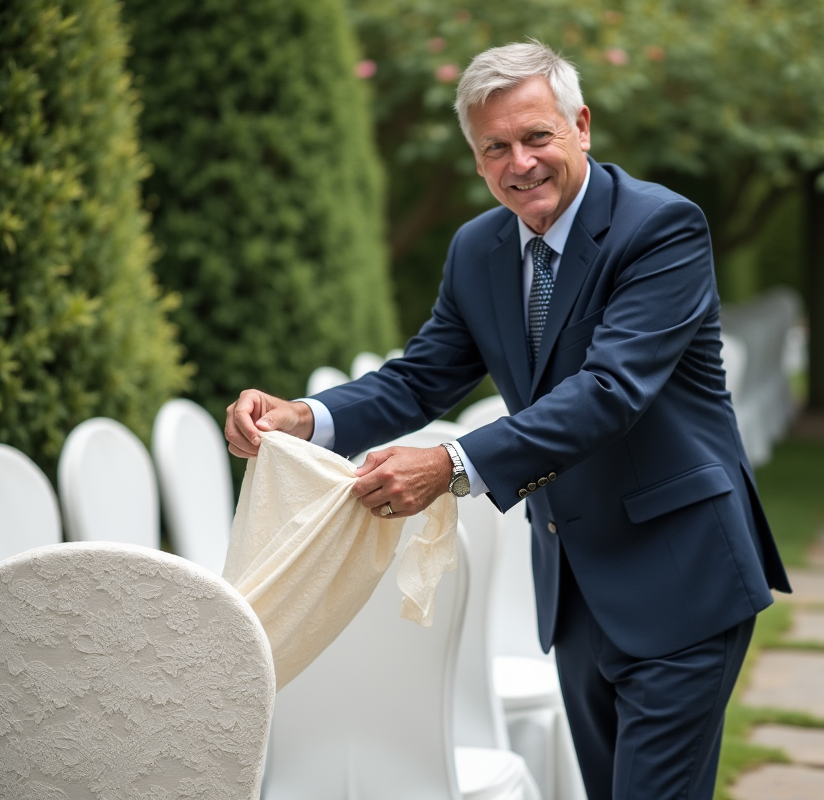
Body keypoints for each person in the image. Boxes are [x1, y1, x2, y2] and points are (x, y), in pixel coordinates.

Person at [225, 41, 790, 800]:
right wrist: (304, 417)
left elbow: (610, 391)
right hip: (575, 585)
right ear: (477, 157)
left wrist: (451, 465)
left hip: (682, 573)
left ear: (581, 125)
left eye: (536, 137)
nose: (519, 163)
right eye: (496, 148)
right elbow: (421, 377)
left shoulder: (661, 229)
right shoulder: (477, 249)